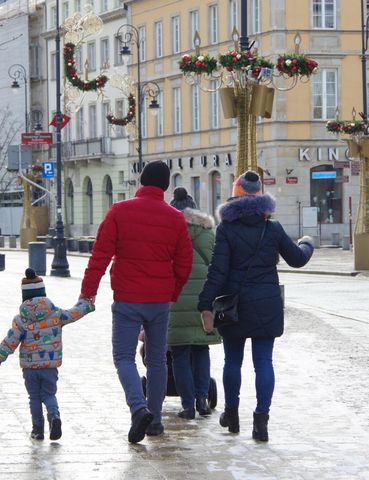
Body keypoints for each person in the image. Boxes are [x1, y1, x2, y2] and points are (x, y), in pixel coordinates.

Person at [80, 161, 193, 443]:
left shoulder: (120, 211)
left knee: (123, 357)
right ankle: (154, 420)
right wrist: (173, 293)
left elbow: (100, 255)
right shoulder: (175, 218)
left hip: (128, 298)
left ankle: (137, 407)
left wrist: (88, 291)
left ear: (141, 181)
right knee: (156, 361)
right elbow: (184, 263)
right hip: (159, 300)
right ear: (165, 186)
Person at [197, 170, 314, 442]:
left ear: (235, 198)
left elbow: (218, 270)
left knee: (232, 362)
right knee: (264, 362)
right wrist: (307, 244)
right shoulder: (272, 229)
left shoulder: (225, 230)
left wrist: (205, 303)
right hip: (266, 304)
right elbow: (297, 259)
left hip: (234, 306)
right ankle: (261, 422)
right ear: (261, 199)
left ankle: (232, 415)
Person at [0, 268, 94, 441]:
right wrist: (86, 304)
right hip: (49, 367)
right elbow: (74, 313)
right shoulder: (56, 313)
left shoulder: (20, 319)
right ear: (43, 293)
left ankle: (38, 430)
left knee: (34, 397)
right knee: (49, 395)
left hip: (30, 368)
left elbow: (11, 339)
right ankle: (54, 417)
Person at [167, 187, 221, 420]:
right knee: (201, 349)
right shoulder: (208, 232)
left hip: (175, 298)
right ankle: (202, 399)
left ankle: (187, 406)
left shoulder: (166, 231)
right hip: (203, 300)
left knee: (179, 353)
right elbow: (216, 266)